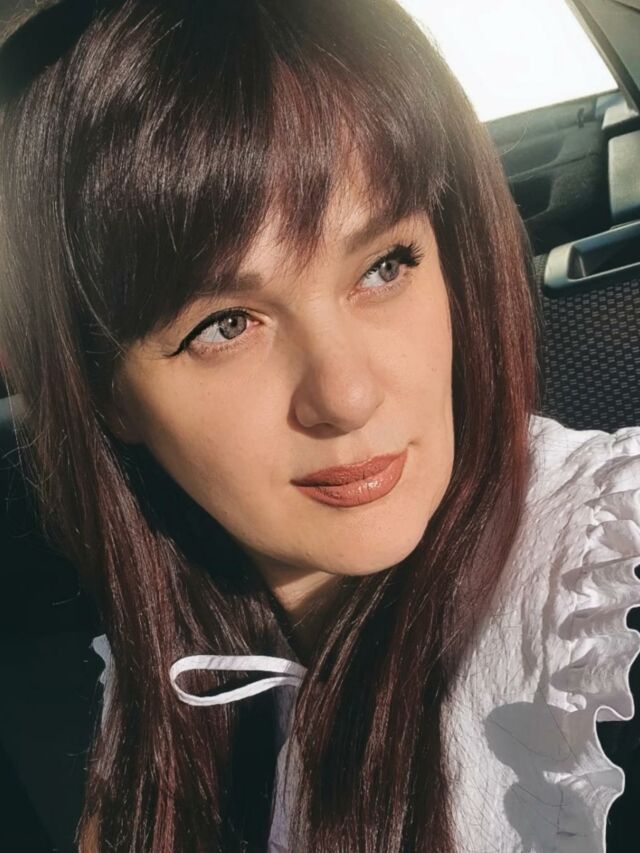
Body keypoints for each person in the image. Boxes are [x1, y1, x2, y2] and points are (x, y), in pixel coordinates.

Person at [0, 1, 639, 851]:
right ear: (107, 395)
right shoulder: (140, 691)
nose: (346, 395)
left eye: (382, 267)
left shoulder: (602, 603)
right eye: (225, 324)